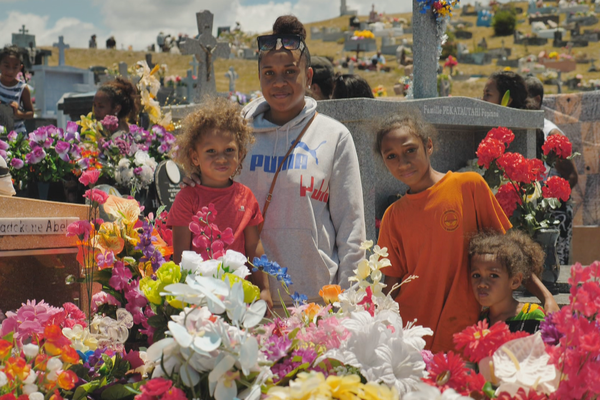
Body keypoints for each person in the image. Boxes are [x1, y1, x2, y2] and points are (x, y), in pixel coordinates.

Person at [183, 15, 366, 304]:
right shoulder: (235, 134)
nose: (279, 82)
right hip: (244, 298)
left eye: (289, 72)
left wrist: (350, 305)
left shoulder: (335, 136)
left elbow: (351, 228)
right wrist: (196, 178)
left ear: (307, 77)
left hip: (314, 302)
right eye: (269, 73)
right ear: (259, 78)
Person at [376, 110, 558, 353]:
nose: (403, 162)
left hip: (467, 332)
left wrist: (546, 296)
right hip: (413, 338)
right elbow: (391, 286)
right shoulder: (393, 216)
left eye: (410, 150)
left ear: (428, 145)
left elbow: (509, 252)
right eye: (391, 156)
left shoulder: (468, 186)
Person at [167, 97, 272, 307]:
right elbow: (180, 256)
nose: (221, 158)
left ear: (240, 155)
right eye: (211, 151)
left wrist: (264, 289)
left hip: (239, 296)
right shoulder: (187, 198)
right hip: (200, 298)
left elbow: (253, 245)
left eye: (229, 150)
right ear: (194, 157)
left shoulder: (246, 197)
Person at [525, 76, 578, 265]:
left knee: (555, 266)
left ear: (537, 100)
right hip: (533, 210)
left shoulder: (551, 134)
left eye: (524, 97)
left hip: (555, 213)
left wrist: (549, 201)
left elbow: (571, 176)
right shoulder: (523, 129)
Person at [470, 230, 546, 333]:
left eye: (493, 276)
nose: (482, 284)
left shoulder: (533, 315)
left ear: (515, 281)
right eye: (476, 275)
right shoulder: (480, 321)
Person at [0, 46, 33, 134]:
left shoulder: (22, 89)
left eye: (15, 67)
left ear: (20, 68)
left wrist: (18, 113)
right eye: (6, 66)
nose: (10, 71)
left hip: (17, 137)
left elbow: (30, 113)